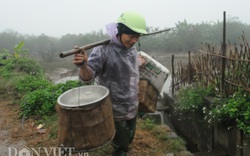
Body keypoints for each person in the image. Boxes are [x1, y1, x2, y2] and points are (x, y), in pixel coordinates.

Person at [73, 11, 147, 156]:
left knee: (129, 136)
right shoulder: (103, 50)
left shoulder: (131, 50)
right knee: (120, 143)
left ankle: (124, 147)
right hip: (114, 107)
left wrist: (139, 62)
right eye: (131, 36)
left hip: (132, 102)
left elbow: (128, 67)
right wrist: (83, 65)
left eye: (137, 37)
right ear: (120, 32)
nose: (134, 41)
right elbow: (88, 77)